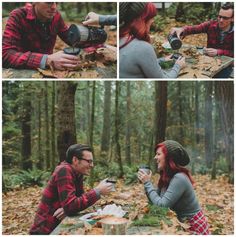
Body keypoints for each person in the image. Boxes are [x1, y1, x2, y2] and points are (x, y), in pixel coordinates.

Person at [29, 144, 113, 234]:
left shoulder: (77, 173)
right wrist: (97, 191)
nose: (92, 165)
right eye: (89, 161)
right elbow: (72, 205)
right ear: (75, 160)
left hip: (60, 226)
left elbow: (76, 201)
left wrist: (67, 208)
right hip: (46, 230)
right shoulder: (64, 170)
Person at [138, 140, 210, 235]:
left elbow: (162, 206)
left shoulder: (179, 178)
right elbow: (155, 203)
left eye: (158, 154)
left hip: (193, 227)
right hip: (181, 224)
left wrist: (148, 183)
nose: (155, 157)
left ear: (169, 158)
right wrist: (146, 184)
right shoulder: (166, 177)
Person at [3, 3, 80, 70]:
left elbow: (71, 38)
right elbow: (5, 55)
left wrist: (89, 34)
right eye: (48, 2)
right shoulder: (18, 15)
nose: (54, 7)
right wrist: (47, 60)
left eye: (56, 2)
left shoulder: (56, 16)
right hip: (23, 70)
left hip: (49, 69)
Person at [119, 2, 185, 78]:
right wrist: (178, 66)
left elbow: (139, 62)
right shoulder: (142, 47)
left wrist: (162, 60)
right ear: (142, 19)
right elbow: (164, 79)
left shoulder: (122, 38)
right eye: (151, 17)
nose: (153, 20)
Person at [170, 2, 234, 78]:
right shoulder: (211, 25)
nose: (221, 20)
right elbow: (195, 28)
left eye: (225, 18)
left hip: (226, 66)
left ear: (233, 18)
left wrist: (218, 51)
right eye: (219, 16)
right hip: (205, 61)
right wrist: (182, 29)